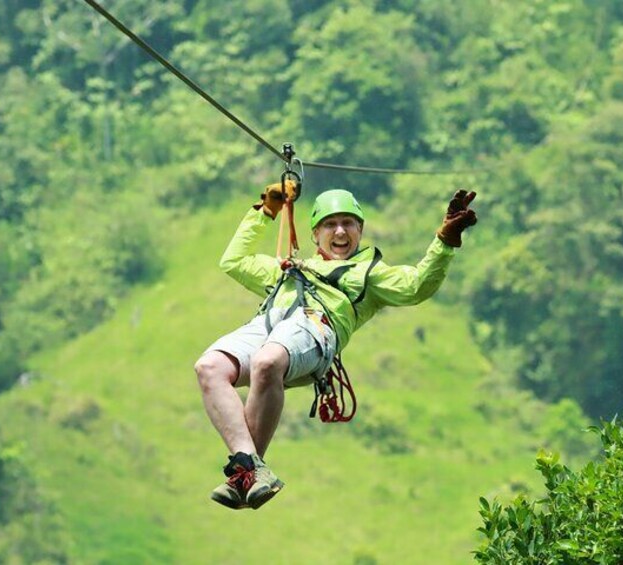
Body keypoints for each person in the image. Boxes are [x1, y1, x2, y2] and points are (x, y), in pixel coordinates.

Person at [194, 182, 477, 509]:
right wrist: (267, 211)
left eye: (348, 223)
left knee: (267, 361)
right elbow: (233, 261)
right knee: (210, 367)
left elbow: (416, 286)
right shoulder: (290, 269)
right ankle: (247, 467)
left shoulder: (368, 273)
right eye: (330, 224)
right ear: (315, 234)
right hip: (273, 320)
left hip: (317, 326)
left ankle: (249, 469)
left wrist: (445, 241)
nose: (340, 231)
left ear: (360, 230)